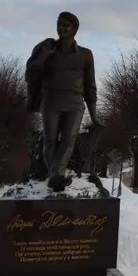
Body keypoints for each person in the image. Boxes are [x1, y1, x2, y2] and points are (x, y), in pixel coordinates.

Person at [26, 11, 101, 191]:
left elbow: (90, 86)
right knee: (50, 139)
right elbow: (30, 76)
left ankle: (55, 175)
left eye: (66, 26)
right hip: (51, 100)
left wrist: (94, 115)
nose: (61, 28)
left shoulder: (85, 55)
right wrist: (44, 54)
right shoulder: (45, 49)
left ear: (75, 29)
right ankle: (56, 175)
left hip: (75, 102)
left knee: (68, 140)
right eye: (59, 24)